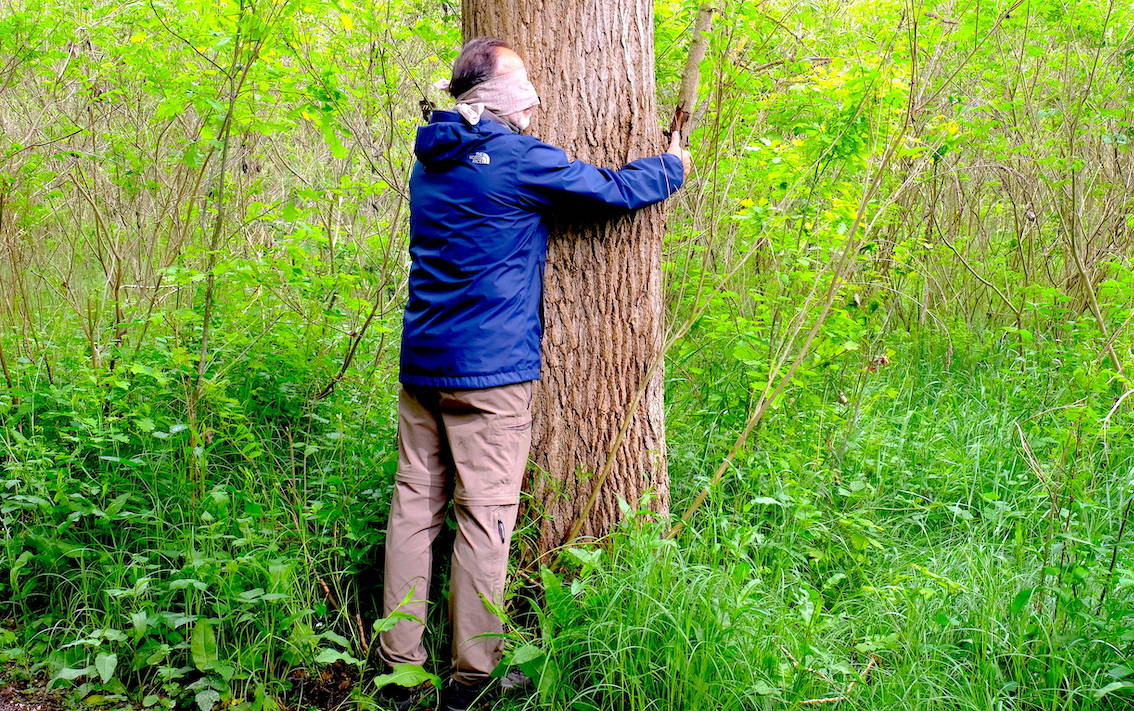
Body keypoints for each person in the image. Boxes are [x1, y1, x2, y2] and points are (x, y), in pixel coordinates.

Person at [375, 37, 691, 711]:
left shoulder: (430, 158)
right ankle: (473, 675)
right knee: (485, 518)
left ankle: (398, 671)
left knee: (412, 510)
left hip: (422, 365)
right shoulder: (517, 159)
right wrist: (672, 166)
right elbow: (607, 190)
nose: (534, 94)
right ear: (490, 91)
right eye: (521, 79)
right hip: (488, 374)